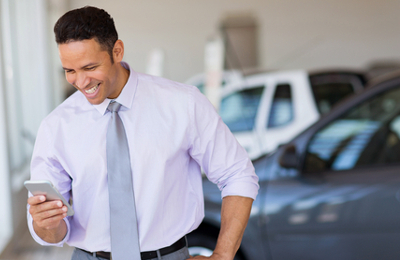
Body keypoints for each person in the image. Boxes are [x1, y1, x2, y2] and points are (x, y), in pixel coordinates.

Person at [27, 5, 259, 260]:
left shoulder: (183, 104)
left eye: (90, 67)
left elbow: (237, 174)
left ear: (117, 51)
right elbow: (53, 233)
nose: (81, 82)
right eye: (70, 71)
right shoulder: (56, 126)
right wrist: (45, 223)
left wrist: (223, 254)